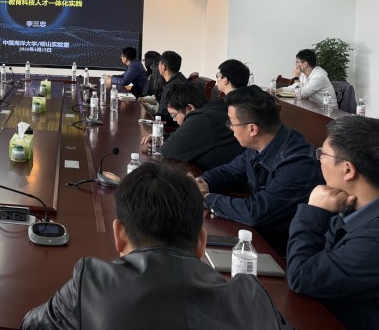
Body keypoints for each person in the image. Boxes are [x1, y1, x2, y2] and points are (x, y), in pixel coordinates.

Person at [21, 162, 291, 330]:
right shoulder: (251, 299)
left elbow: (30, 325)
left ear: (119, 235)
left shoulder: (89, 283)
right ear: (201, 243)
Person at [195, 85, 323, 255]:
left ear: (252, 129)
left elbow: (256, 211)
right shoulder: (265, 143)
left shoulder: (298, 163)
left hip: (285, 252)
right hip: (260, 236)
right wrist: (203, 181)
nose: (230, 127)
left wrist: (206, 197)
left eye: (232, 123)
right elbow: (230, 172)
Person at [286, 116, 379, 330]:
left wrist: (313, 212)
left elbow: (301, 277)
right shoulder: (352, 206)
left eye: (323, 154)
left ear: (348, 170)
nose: (319, 159)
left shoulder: (373, 240)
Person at [142, 82, 244, 170]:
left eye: (174, 115)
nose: (174, 120)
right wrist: (164, 137)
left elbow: (166, 151)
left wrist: (164, 142)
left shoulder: (201, 118)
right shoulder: (212, 108)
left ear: (190, 108)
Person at [148, 50, 187, 124]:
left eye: (159, 63)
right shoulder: (180, 78)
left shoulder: (171, 86)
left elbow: (162, 115)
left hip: (170, 125)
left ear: (163, 67)